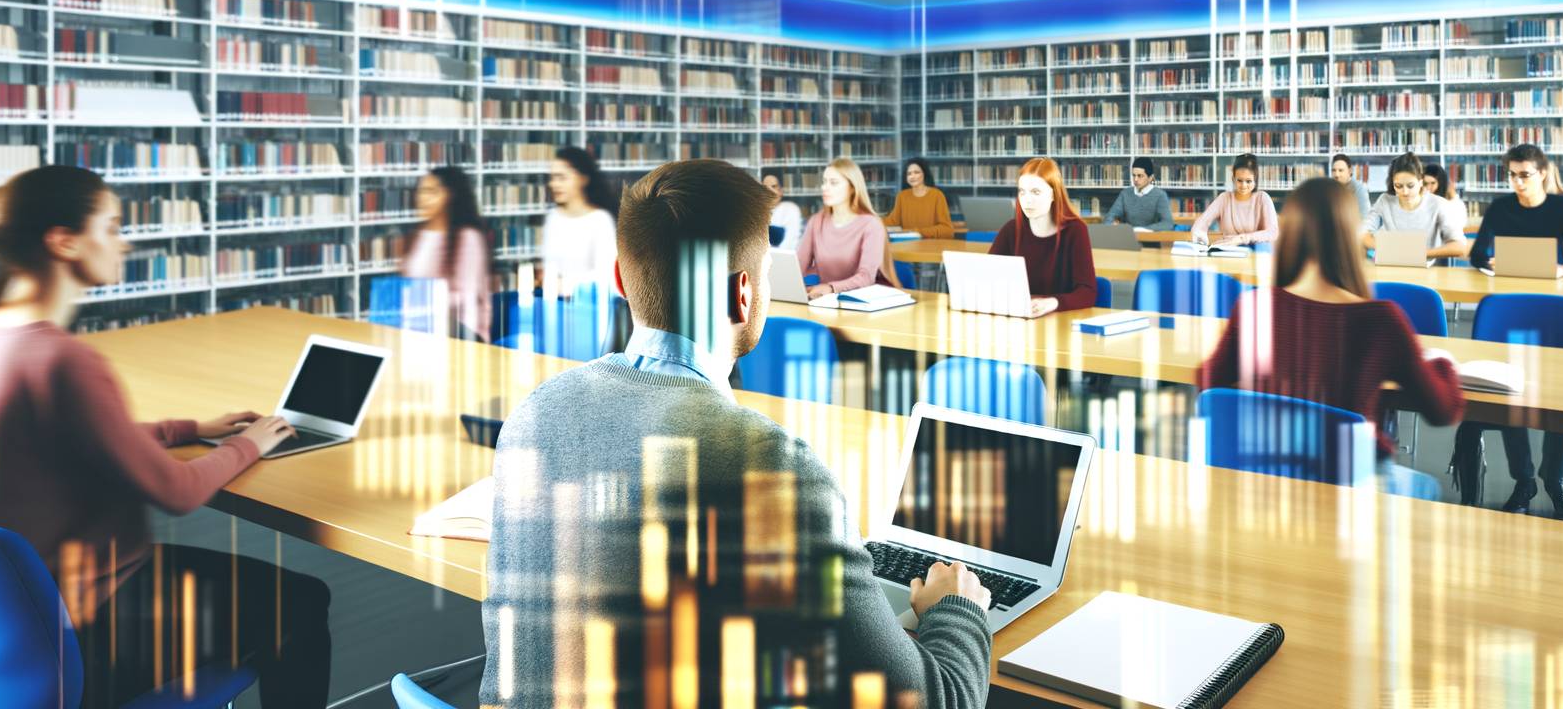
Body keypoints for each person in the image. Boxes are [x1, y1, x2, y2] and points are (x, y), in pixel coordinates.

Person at [480, 159, 992, 709]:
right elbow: (936, 701)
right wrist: (956, 608)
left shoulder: (533, 414)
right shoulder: (768, 464)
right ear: (744, 295)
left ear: (620, 279)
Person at [0, 165, 331, 709]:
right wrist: (250, 443)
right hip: (89, 622)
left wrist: (189, 429)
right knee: (301, 602)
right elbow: (178, 492)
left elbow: (70, 440)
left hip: (4, 627)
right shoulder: (64, 360)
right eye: (112, 226)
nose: (127, 240)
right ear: (64, 241)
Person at [1199, 177, 1465, 497]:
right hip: (1350, 483)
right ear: (1348, 237)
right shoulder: (1381, 320)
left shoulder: (1253, 305)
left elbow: (1208, 379)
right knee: (1427, 487)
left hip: (1266, 476)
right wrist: (1441, 364)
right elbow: (1443, 410)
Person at [1453, 144, 1563, 518]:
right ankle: (1525, 480)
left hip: (1554, 309)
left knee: (1557, 401)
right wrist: (1492, 260)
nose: (1518, 182)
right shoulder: (1501, 208)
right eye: (1512, 175)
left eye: (1525, 175)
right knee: (1512, 399)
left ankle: (1555, 482)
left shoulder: (1562, 207)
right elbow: (1477, 256)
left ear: (1543, 174)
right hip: (1512, 309)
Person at [989, 156, 1098, 316]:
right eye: (1022, 192)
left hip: (1060, 323)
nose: (1027, 200)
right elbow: (988, 278)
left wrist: (1053, 302)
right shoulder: (1011, 230)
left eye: (1036, 192)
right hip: (1019, 319)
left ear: (1054, 195)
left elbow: (1087, 292)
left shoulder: (1075, 231)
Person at [403, 165, 492, 341]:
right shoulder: (419, 236)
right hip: (422, 328)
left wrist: (423, 300)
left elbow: (468, 297)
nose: (422, 199)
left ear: (450, 196)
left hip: (460, 333)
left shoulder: (467, 238)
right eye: (421, 192)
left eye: (431, 192)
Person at [795, 157, 896, 298]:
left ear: (852, 188)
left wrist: (831, 288)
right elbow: (798, 264)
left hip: (864, 303)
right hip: (828, 301)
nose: (825, 187)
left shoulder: (871, 225)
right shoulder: (816, 221)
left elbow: (866, 277)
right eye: (824, 182)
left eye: (834, 183)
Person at [1361, 152, 1471, 264]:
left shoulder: (1438, 204)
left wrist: (1419, 254)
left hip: (1426, 271)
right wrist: (1385, 248)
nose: (1404, 192)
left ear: (1420, 182)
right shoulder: (1385, 201)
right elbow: (1361, 233)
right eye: (1398, 186)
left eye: (1410, 186)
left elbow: (1460, 247)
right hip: (1390, 267)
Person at [540, 146, 618, 288]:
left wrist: (566, 284)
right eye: (552, 178)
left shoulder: (600, 221)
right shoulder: (553, 218)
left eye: (561, 178)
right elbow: (549, 269)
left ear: (583, 179)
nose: (554, 184)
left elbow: (609, 277)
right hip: (556, 304)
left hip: (590, 305)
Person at [1190, 153, 1279, 246]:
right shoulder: (1224, 198)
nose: (1243, 185)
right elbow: (1203, 221)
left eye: (1248, 181)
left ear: (1255, 180)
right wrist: (1198, 231)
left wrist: (1241, 239)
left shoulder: (1262, 198)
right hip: (1228, 253)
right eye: (1239, 180)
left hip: (1256, 254)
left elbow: (1272, 233)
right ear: (1233, 179)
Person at [883, 157, 955, 238]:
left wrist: (919, 232)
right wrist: (872, 219)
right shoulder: (902, 196)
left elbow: (947, 230)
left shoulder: (937, 195)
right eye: (909, 174)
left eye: (916, 172)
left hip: (931, 246)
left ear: (924, 174)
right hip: (908, 245)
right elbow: (892, 221)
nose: (912, 176)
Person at [1103, 156, 1176, 230]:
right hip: (1128, 239)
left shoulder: (1160, 195)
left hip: (1150, 239)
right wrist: (1111, 224)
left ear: (1150, 178)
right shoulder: (1125, 194)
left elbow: (1167, 224)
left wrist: (1143, 230)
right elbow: (1110, 216)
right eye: (1134, 175)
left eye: (1140, 176)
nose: (1136, 179)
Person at [1422, 162, 1469, 235]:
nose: (1428, 188)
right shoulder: (1422, 198)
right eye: (1425, 184)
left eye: (1432, 183)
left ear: (1441, 183)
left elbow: (1458, 227)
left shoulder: (1454, 203)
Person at [763, 172, 804, 250]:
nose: (770, 192)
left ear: (781, 191)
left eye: (774, 187)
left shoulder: (791, 210)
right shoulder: (757, 213)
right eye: (765, 188)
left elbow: (789, 246)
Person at [1330, 153, 1372, 219]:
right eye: (1334, 170)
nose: (1336, 175)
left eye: (1341, 170)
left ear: (1350, 171)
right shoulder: (1329, 189)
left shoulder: (1360, 189)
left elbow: (1365, 218)